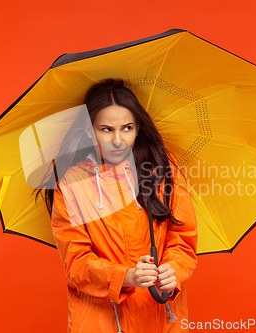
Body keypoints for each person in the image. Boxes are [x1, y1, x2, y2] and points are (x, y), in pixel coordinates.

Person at [36, 78, 197, 332]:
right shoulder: (71, 183)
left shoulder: (163, 169)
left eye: (127, 128)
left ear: (138, 129)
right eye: (107, 129)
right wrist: (126, 277)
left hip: (163, 319)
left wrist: (173, 271)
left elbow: (182, 238)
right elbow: (77, 262)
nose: (118, 140)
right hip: (101, 322)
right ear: (90, 130)